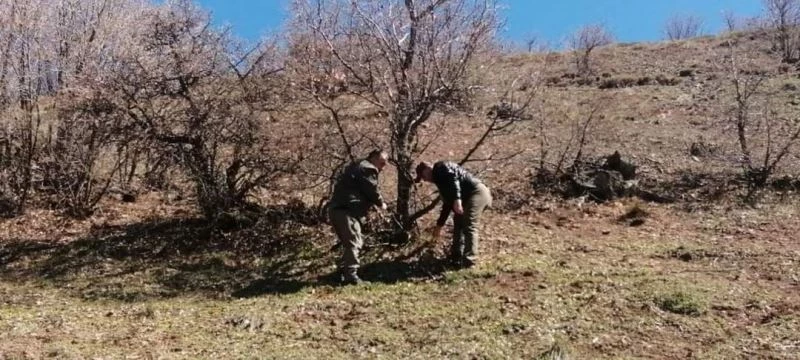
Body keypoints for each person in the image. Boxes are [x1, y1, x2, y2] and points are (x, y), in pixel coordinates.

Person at [414, 160, 492, 268]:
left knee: (469, 224)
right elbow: (446, 206)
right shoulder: (441, 182)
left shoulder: (440, 167)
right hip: (466, 198)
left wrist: (457, 200)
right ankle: (456, 258)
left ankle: (470, 262)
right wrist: (439, 226)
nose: (425, 180)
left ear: (427, 169)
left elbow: (453, 179)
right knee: (458, 222)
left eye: (423, 176)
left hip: (477, 193)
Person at [328, 150, 389, 285]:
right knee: (354, 241)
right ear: (373, 158)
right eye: (382, 162)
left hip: (337, 209)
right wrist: (381, 204)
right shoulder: (368, 168)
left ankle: (343, 273)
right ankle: (351, 277)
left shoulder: (356, 166)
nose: (383, 167)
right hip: (346, 211)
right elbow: (372, 190)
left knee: (349, 243)